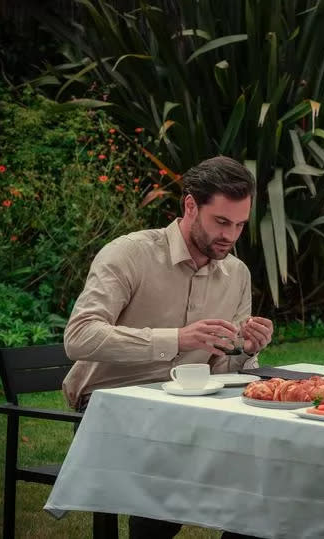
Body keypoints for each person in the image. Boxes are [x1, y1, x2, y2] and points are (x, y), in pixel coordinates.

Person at [63, 155, 273, 538]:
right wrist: (176, 339)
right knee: (177, 475)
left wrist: (243, 349)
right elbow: (79, 336)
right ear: (190, 205)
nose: (230, 236)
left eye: (240, 225)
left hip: (190, 409)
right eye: (221, 222)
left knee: (266, 473)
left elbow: (224, 369)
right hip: (111, 408)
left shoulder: (236, 274)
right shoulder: (129, 254)